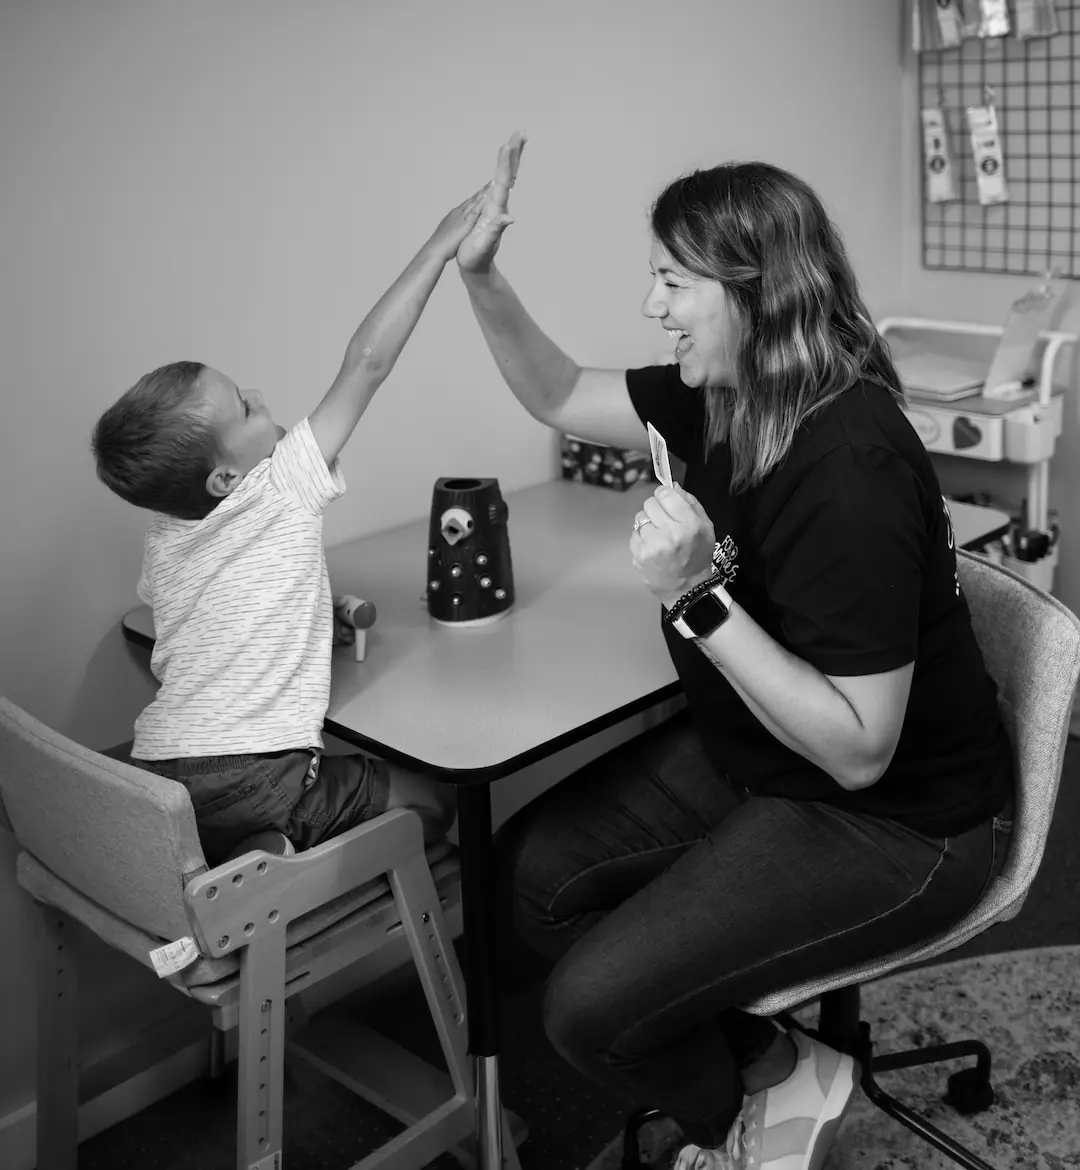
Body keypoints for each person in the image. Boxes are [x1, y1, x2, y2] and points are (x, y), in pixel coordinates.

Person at [455, 137, 1015, 1170]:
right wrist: (480, 276)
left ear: (755, 294)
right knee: (519, 883)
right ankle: (781, 1069)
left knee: (585, 1012)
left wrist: (695, 595)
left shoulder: (847, 461)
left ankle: (753, 1103)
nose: (652, 305)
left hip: (897, 822)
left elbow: (858, 752)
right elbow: (557, 392)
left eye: (673, 281)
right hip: (761, 758)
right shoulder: (714, 388)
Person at [90, 157, 507, 867]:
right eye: (245, 407)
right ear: (225, 477)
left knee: (269, 801)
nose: (259, 397)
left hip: (162, 769)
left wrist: (309, 617)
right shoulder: (279, 485)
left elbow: (216, 614)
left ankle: (258, 842)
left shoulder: (167, 536)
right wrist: (438, 246)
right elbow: (366, 363)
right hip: (258, 775)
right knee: (436, 801)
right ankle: (279, 842)